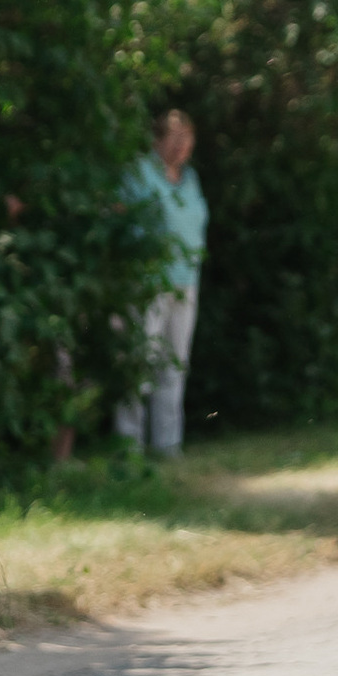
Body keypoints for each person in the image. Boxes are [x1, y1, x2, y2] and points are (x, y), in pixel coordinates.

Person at [113, 109, 206, 457]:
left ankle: (168, 444)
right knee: (140, 361)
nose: (182, 145)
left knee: (175, 362)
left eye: (188, 137)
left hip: (186, 282)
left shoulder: (190, 178)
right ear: (158, 139)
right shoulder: (139, 172)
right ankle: (129, 444)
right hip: (146, 282)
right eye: (175, 137)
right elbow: (122, 218)